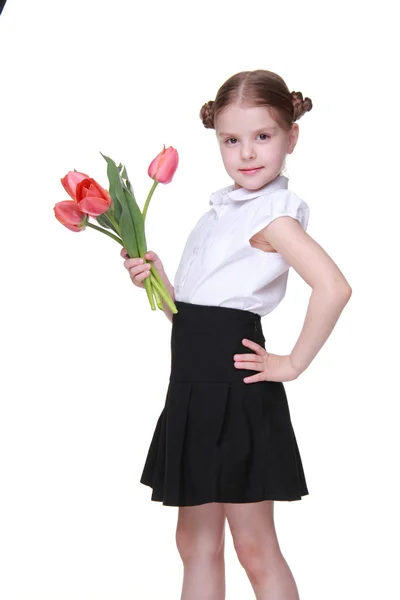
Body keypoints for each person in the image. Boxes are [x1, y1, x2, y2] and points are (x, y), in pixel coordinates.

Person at [121, 69, 352, 600]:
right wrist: (156, 280)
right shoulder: (221, 211)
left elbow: (334, 288)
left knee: (254, 544)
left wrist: (290, 364)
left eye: (263, 137)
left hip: (237, 393)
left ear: (291, 136)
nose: (247, 154)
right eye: (232, 140)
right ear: (218, 141)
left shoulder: (274, 215)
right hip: (194, 390)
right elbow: (197, 317)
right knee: (193, 540)